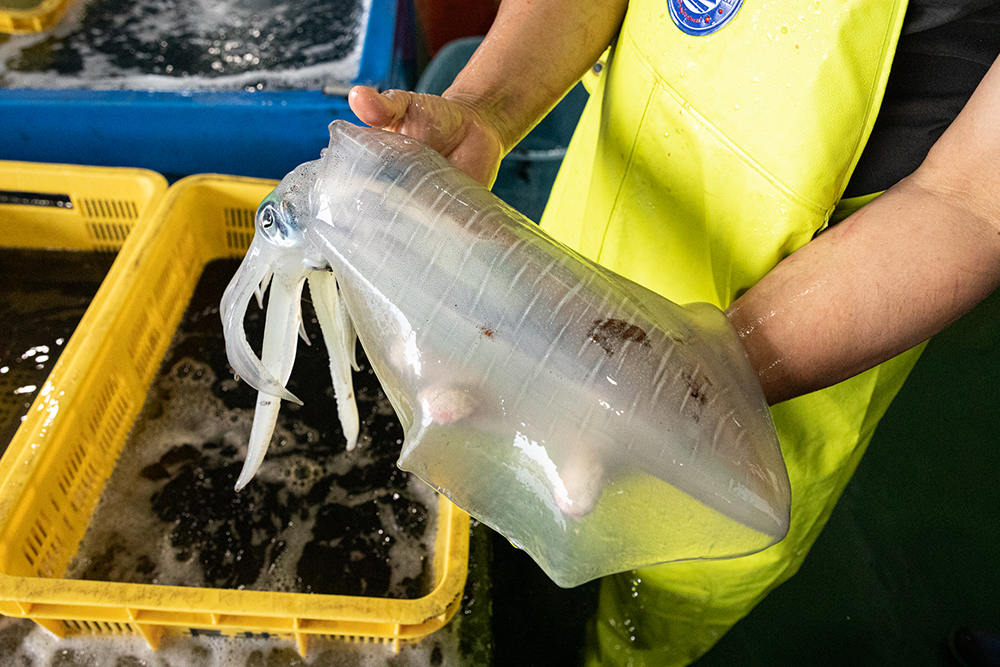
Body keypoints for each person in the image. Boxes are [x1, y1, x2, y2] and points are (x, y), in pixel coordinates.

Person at [347, 0, 1000, 664]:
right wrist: (486, 106)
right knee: (506, 484)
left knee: (656, 600)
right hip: (586, 251)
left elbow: (972, 202)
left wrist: (688, 381)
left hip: (766, 377)